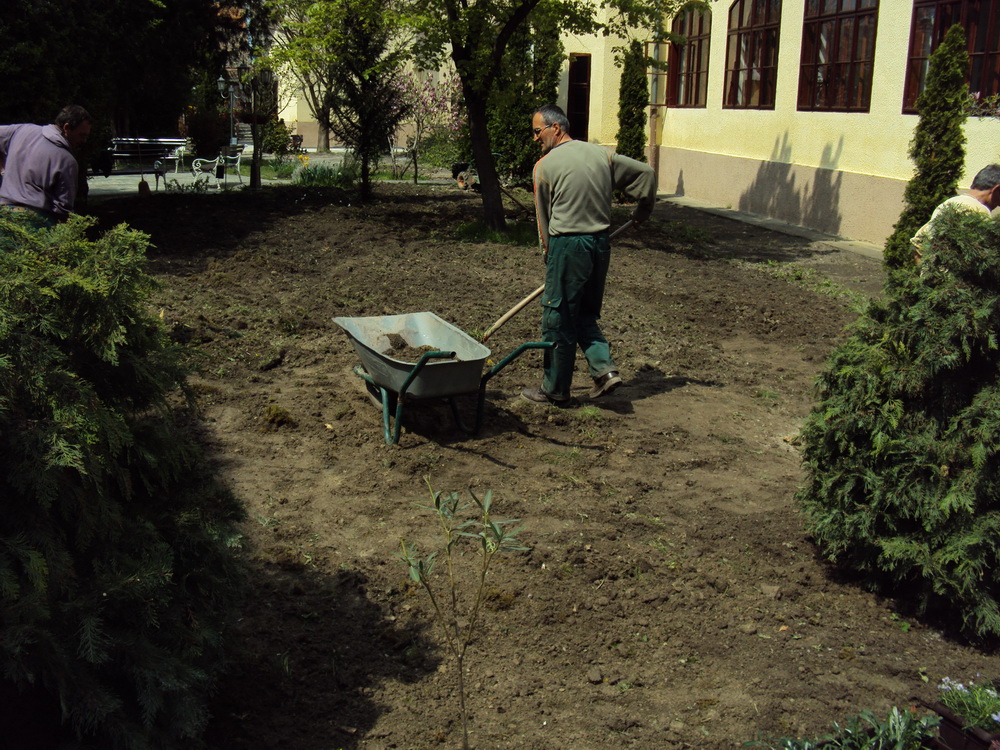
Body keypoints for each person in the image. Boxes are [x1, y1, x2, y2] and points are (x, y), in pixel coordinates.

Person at [522, 103, 657, 405]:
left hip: (567, 247)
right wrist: (643, 211)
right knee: (584, 313)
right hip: (599, 245)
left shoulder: (544, 166)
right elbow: (646, 173)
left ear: (556, 128)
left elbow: (543, 219)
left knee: (558, 318)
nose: (535, 138)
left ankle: (555, 389)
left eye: (537, 131)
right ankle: (605, 371)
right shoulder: (601, 155)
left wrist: (549, 257)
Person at [0, 105, 93, 225]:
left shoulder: (22, 130)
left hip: (4, 216)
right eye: (82, 135)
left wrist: (3, 170)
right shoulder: (67, 161)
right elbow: (63, 210)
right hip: (36, 221)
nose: (84, 141)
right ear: (66, 128)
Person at [911, 164, 1000, 264]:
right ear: (997, 190)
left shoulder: (949, 203)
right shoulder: (980, 212)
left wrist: (926, 271)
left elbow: (918, 243)